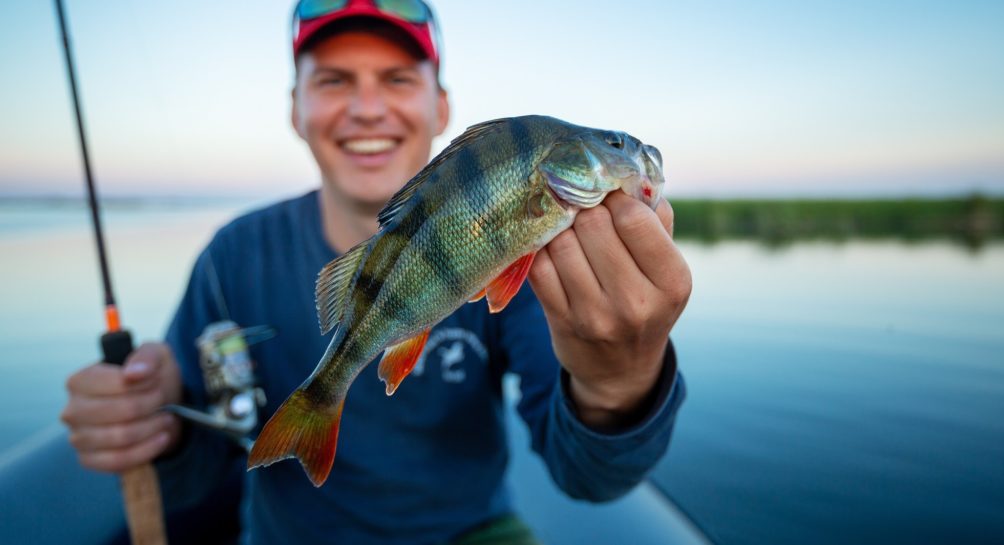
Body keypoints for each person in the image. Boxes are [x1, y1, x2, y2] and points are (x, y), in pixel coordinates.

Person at [60, 1, 692, 544]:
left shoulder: (544, 265)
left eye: (396, 78)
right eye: (334, 80)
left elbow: (587, 476)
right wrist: (162, 428)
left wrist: (620, 381)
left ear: (441, 107)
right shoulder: (232, 257)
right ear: (295, 109)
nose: (367, 107)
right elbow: (201, 472)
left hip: (472, 531)